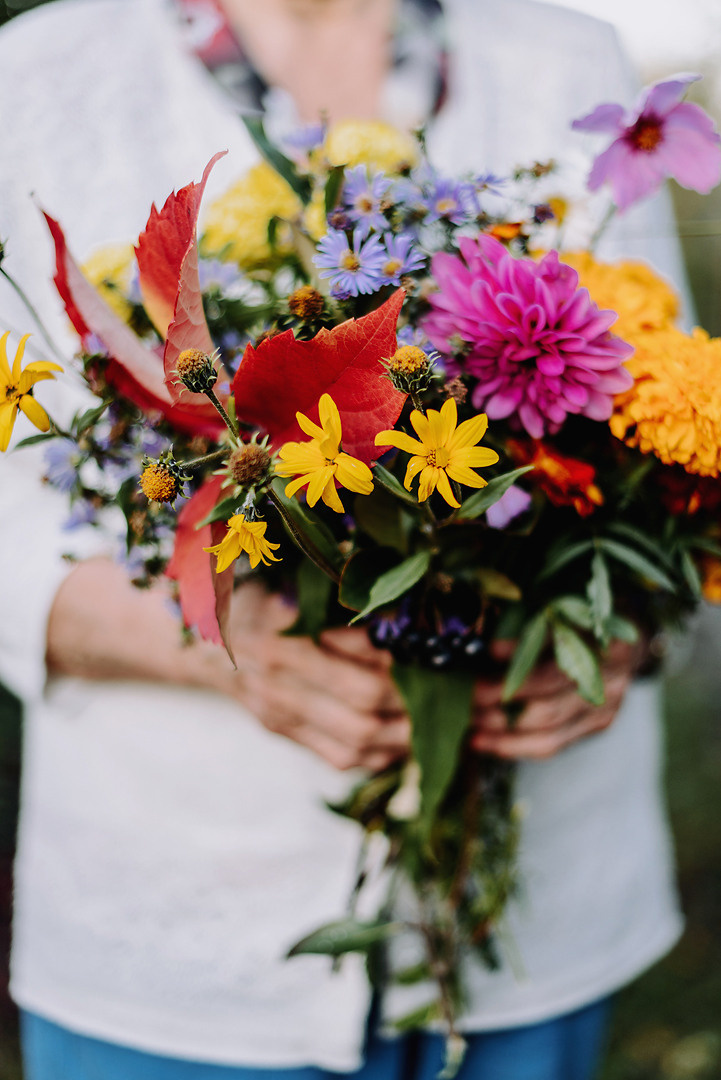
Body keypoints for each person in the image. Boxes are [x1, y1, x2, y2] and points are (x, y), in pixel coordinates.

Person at [0, 0, 687, 1076]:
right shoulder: (37, 74)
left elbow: (676, 439)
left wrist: (612, 635)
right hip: (181, 959)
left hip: (539, 941)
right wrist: (220, 649)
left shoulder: (568, 56)